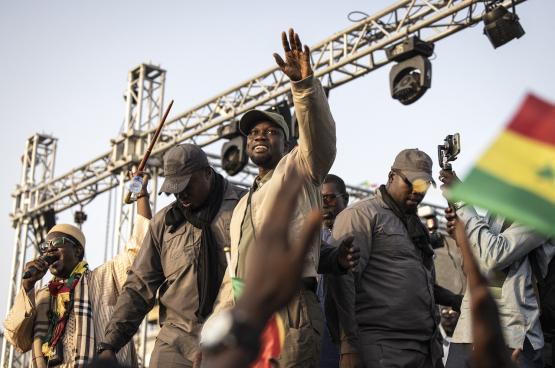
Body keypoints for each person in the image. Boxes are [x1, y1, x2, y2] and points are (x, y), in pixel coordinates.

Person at [202, 28, 352, 368]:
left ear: (287, 143)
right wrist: (213, 333)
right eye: (254, 132)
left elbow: (320, 137)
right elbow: (233, 278)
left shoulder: (299, 168)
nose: (259, 136)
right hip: (245, 316)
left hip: (292, 307)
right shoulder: (241, 204)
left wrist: (304, 86)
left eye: (270, 132)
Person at [100, 144, 247, 368]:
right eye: (174, 188)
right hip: (176, 340)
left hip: (232, 338)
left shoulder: (243, 206)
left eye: (186, 185)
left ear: (207, 172)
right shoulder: (163, 222)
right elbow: (139, 285)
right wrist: (110, 344)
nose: (180, 193)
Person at [325, 149, 458, 368]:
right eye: (412, 183)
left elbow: (421, 285)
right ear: (391, 176)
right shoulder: (361, 215)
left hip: (427, 350)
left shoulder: (417, 225)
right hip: (382, 350)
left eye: (424, 185)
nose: (418, 191)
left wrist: (454, 299)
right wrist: (348, 346)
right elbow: (340, 282)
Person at [3, 171, 152, 368]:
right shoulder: (40, 296)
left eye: (57, 243)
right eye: (45, 247)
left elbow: (139, 248)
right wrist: (27, 287)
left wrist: (141, 195)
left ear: (77, 250)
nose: (50, 250)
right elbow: (17, 339)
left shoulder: (103, 278)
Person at [439, 169, 555, 368]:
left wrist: (463, 204)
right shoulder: (498, 212)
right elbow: (477, 270)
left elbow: (495, 255)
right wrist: (462, 239)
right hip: (469, 329)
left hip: (513, 333)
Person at [319, 174, 349, 368]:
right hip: (317, 335)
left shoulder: (358, 233)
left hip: (349, 336)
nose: (324, 204)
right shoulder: (306, 236)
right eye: (318, 197)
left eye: (330, 197)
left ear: (345, 199)